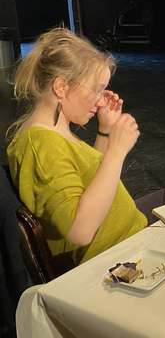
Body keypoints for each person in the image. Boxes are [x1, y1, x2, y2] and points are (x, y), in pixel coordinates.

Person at [7, 28, 147, 265]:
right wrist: (116, 152)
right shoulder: (42, 145)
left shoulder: (54, 132)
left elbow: (89, 179)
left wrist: (105, 130)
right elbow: (79, 231)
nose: (101, 100)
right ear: (61, 87)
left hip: (132, 236)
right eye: (95, 89)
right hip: (120, 258)